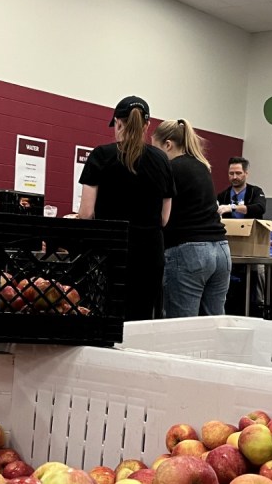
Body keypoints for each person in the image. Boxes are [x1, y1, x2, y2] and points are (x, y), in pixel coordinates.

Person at [78, 96, 174, 322]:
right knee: (139, 322)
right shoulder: (161, 159)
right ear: (146, 125)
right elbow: (164, 218)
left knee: (109, 319)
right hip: (149, 254)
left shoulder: (101, 155)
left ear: (118, 123)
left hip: (112, 252)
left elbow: (86, 214)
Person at [152, 119, 231, 317]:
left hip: (189, 251)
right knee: (213, 326)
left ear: (168, 145)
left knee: (181, 329)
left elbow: (159, 212)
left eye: (156, 148)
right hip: (221, 250)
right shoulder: (201, 166)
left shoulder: (171, 169)